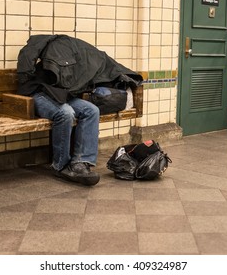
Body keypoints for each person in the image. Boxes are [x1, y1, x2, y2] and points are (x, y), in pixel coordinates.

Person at [17, 35, 143, 186]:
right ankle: (60, 166)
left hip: (61, 95)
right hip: (38, 94)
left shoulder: (81, 58)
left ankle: (81, 163)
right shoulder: (55, 50)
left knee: (92, 110)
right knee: (65, 113)